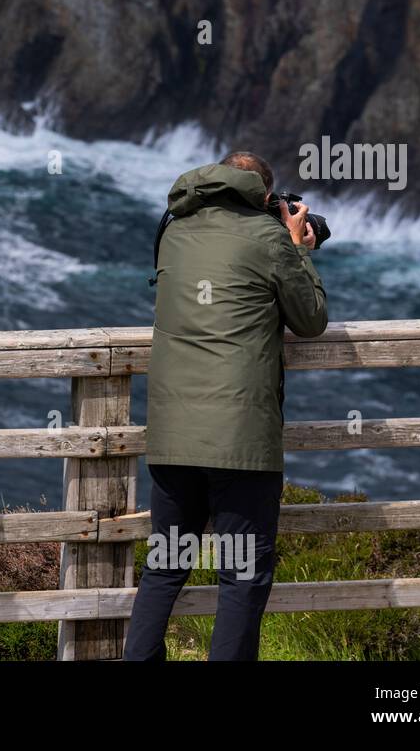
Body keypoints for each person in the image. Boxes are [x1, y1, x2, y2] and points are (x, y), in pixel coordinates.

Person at [125, 152, 328, 661]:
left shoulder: (175, 231)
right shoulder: (268, 240)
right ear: (264, 197)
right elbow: (310, 320)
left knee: (166, 565)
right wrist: (299, 248)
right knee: (241, 574)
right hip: (240, 443)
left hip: (172, 437)